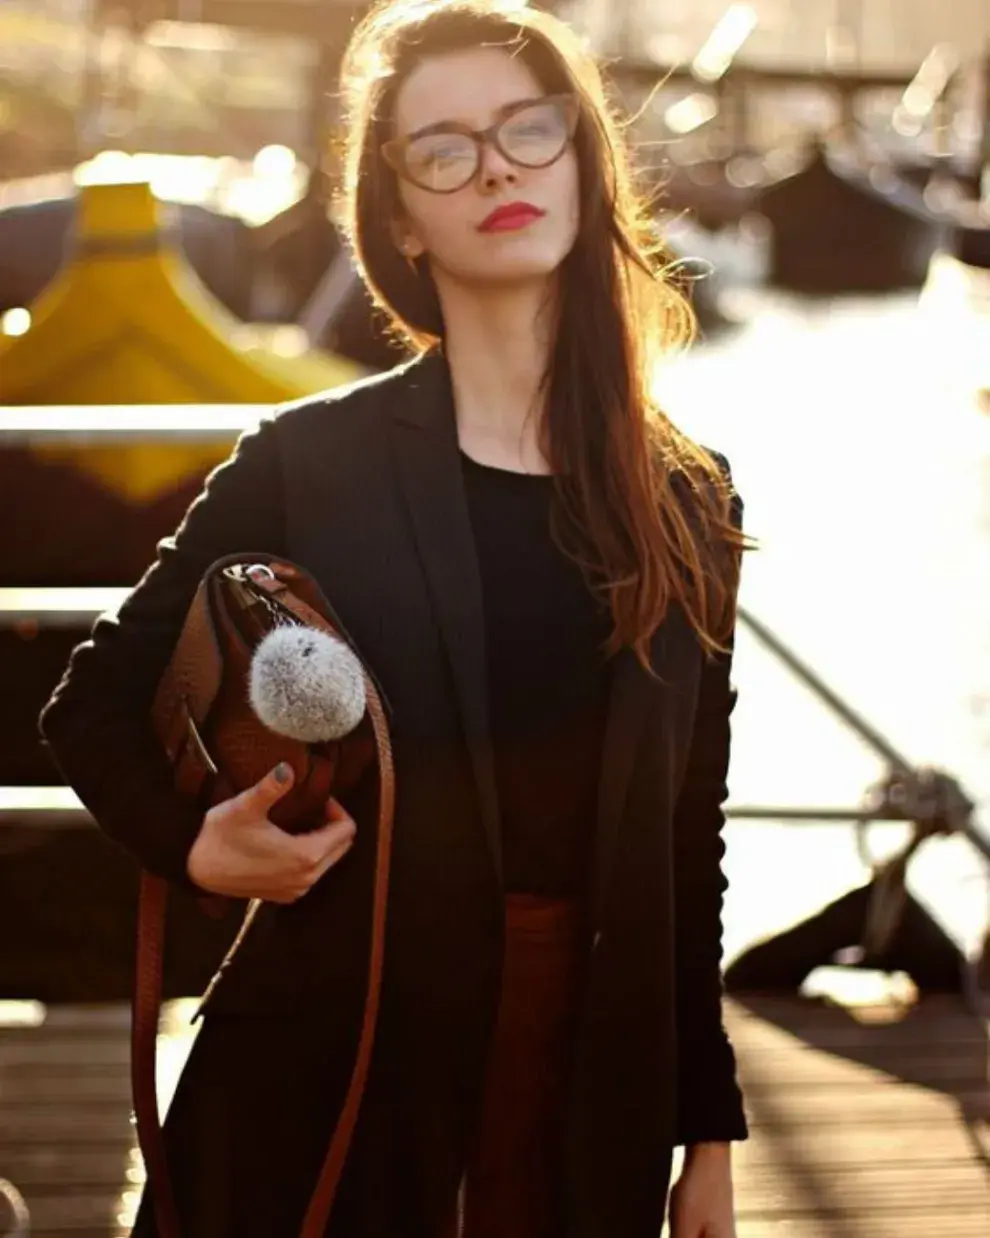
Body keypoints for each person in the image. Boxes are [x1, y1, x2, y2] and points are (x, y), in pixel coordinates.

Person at [39, 2, 756, 1235]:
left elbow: (686, 841)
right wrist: (195, 841)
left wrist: (707, 1136)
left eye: (530, 131)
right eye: (444, 148)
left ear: (585, 162)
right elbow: (90, 704)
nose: (495, 168)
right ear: (404, 218)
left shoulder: (686, 494)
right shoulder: (307, 460)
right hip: (335, 1066)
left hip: (589, 1087)